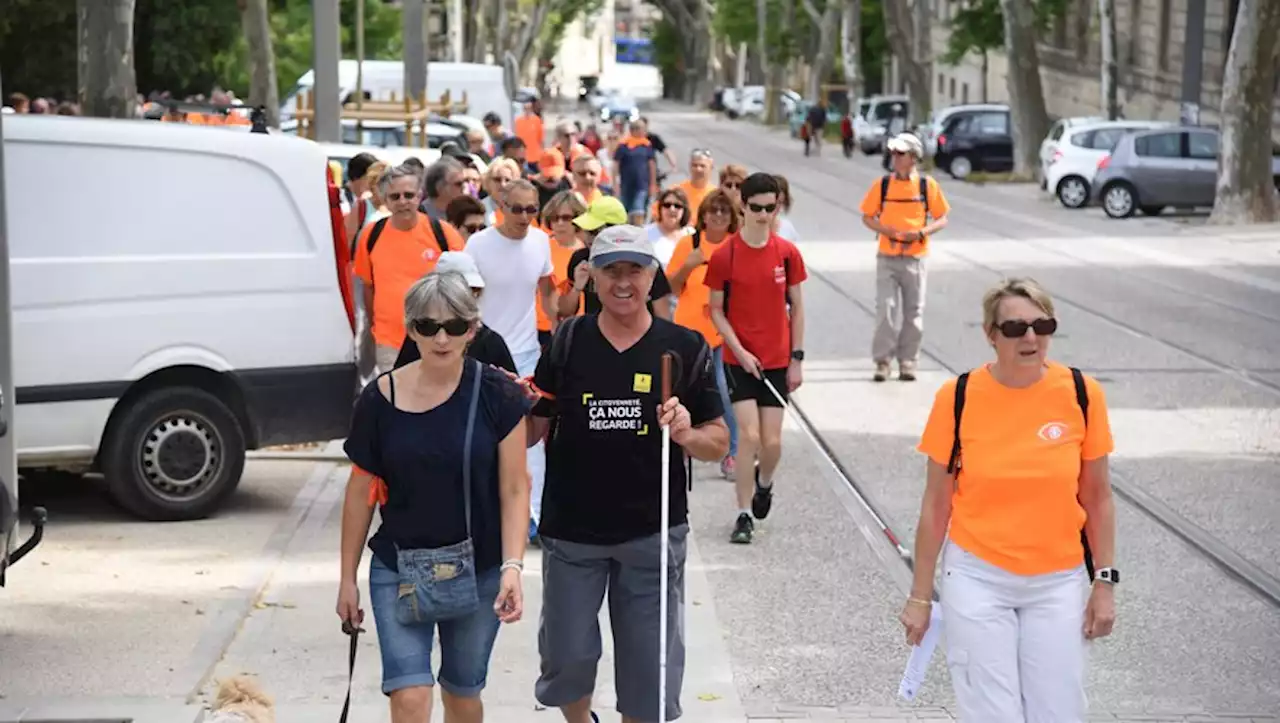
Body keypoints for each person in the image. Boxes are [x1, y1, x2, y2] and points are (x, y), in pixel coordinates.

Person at [529, 225, 729, 723]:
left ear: (652, 276)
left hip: (652, 531)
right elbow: (532, 427)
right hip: (572, 533)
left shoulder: (684, 346)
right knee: (567, 659)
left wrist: (685, 432)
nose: (623, 282)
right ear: (591, 276)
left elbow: (718, 440)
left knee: (648, 676)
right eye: (611, 270)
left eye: (634, 270)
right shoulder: (567, 342)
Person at [902, 277, 1117, 723]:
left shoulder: (1082, 394)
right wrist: (920, 598)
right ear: (991, 336)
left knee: (1059, 711)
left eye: (1043, 325)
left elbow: (1097, 499)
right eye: (1016, 329)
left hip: (1057, 581)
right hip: (977, 576)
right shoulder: (957, 397)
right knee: (992, 713)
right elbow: (935, 506)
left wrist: (1104, 584)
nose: (1031, 338)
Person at [336, 272, 532, 723]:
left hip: (479, 569)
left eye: (455, 326)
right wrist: (347, 577)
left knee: (463, 697)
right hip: (399, 567)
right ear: (410, 329)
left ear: (473, 329)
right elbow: (360, 492)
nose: (442, 338)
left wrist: (513, 567)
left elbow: (515, 487)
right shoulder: (379, 398)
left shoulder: (499, 395)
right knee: (409, 697)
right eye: (427, 327)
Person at [706, 173, 808, 545]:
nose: (764, 215)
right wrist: (740, 349)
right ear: (743, 207)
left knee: (773, 442)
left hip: (778, 359)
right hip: (739, 360)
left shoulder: (787, 253)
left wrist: (796, 358)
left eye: (771, 208)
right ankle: (743, 513)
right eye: (757, 208)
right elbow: (716, 310)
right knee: (747, 436)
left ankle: (765, 484)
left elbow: (797, 307)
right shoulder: (725, 256)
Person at [463, 178, 558, 543]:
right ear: (500, 206)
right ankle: (491, 512)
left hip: (529, 352)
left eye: (531, 209)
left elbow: (547, 287)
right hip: (487, 354)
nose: (523, 216)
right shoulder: (479, 244)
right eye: (515, 208)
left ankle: (534, 517)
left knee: (532, 438)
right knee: (490, 436)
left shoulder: (539, 241)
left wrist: (555, 328)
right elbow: (466, 294)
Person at [354, 164, 467, 374]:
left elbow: (464, 287)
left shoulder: (443, 233)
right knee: (397, 402)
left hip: (437, 341)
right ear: (384, 200)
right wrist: (376, 327)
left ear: (419, 196)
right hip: (390, 343)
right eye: (395, 197)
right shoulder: (371, 235)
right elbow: (368, 288)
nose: (403, 202)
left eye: (409, 195)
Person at [858, 132, 950, 382]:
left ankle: (908, 360)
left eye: (901, 154)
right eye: (894, 153)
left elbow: (942, 217)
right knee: (885, 310)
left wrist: (922, 232)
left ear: (914, 157)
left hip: (915, 257)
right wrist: (886, 230)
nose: (895, 158)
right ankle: (883, 361)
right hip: (887, 256)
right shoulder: (883, 185)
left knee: (914, 311)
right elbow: (867, 216)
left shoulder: (926, 186)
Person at [666, 189, 742, 480]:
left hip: (723, 332)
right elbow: (671, 287)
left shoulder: (735, 246)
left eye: (724, 211)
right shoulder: (690, 243)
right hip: (689, 332)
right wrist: (689, 264)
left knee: (723, 391)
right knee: (683, 391)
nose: (718, 216)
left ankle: (733, 453)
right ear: (704, 215)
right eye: (713, 211)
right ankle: (686, 444)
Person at [393, 252, 516, 374]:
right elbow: (399, 378)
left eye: (472, 290)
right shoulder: (422, 334)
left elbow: (513, 388)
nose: (442, 340)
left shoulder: (490, 342)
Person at [559, 196, 673, 321]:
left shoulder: (645, 262)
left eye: (594, 232)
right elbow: (565, 311)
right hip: (594, 338)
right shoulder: (581, 259)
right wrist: (577, 288)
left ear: (616, 230)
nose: (589, 238)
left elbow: (663, 317)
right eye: (586, 231)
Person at [537, 191, 588, 348]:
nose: (559, 223)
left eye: (566, 218)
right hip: (541, 329)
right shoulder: (540, 247)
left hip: (579, 329)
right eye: (554, 218)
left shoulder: (587, 252)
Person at [612, 120, 659, 225]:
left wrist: (653, 184)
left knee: (638, 212)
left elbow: (652, 166)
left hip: (642, 185)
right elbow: (615, 165)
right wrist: (615, 184)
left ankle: (638, 234)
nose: (644, 131)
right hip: (626, 186)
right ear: (633, 130)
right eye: (642, 129)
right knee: (624, 214)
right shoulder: (623, 146)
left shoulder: (646, 145)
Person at [646, 188, 693, 267]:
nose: (672, 209)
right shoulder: (646, 233)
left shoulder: (692, 234)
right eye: (667, 205)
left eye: (677, 206)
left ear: (684, 210)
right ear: (660, 208)